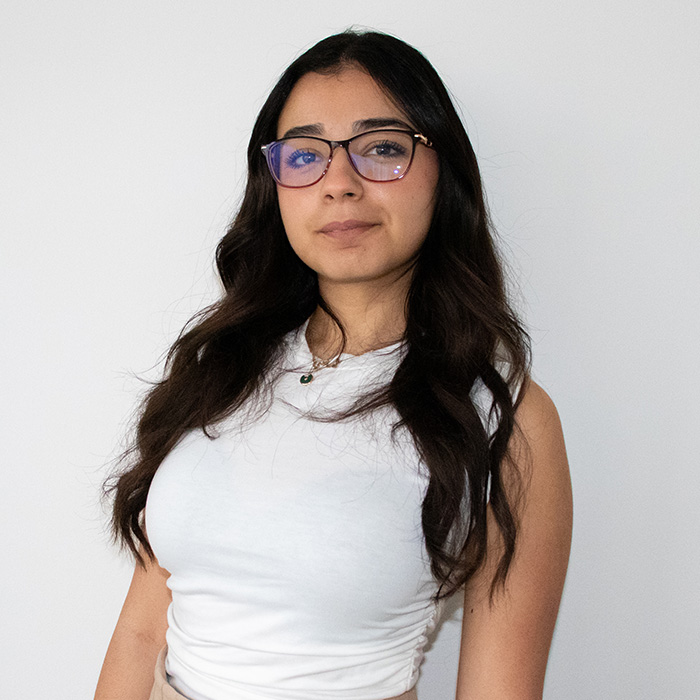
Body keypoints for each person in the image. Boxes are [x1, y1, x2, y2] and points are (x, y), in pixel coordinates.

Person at [95, 29, 572, 700]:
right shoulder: (220, 368)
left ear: (445, 174)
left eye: (382, 149)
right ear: (276, 185)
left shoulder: (504, 415)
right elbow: (143, 635)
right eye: (305, 155)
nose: (340, 184)